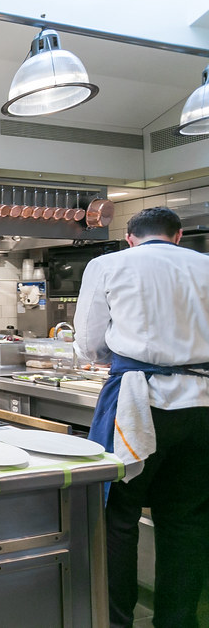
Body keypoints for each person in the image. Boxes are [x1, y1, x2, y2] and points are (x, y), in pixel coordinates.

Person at [73, 207, 209, 628]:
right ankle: (178, 620)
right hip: (202, 404)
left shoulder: (109, 264)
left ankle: (116, 620)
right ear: (179, 235)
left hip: (138, 401)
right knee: (187, 518)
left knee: (118, 516)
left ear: (130, 237)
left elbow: (90, 343)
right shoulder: (205, 265)